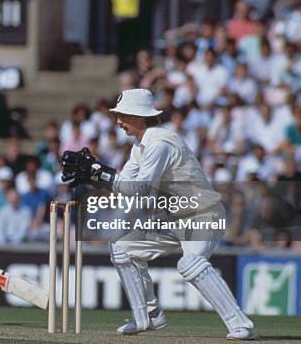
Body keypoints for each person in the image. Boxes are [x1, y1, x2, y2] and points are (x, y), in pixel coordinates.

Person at [60, 89, 257, 340]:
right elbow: (126, 186)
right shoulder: (139, 146)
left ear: (140, 116)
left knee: (190, 264)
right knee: (121, 248)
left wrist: (102, 174)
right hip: (174, 218)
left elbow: (142, 189)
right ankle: (148, 317)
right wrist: (98, 176)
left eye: (123, 115)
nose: (118, 121)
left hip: (203, 214)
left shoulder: (160, 142)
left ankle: (241, 325)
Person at [109, 0, 145, 71]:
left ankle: (133, 64)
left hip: (132, 14)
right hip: (119, 14)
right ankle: (120, 64)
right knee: (120, 43)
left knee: (133, 43)